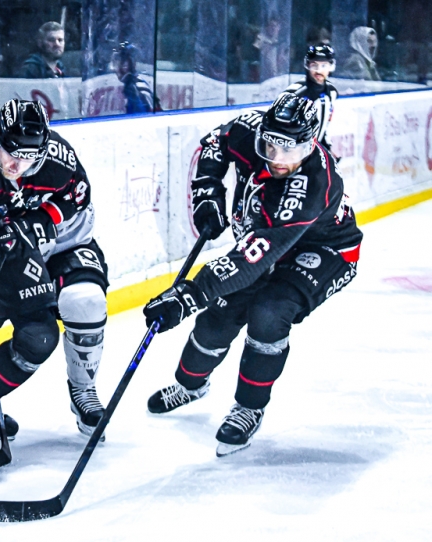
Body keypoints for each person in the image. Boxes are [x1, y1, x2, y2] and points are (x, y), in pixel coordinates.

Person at [142, 92, 362, 457]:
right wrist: (208, 193)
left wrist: (191, 293)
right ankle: (190, 384)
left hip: (323, 251)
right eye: (269, 145)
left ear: (309, 144)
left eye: (287, 149)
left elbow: (253, 256)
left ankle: (249, 406)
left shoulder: (311, 185)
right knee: (217, 321)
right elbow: (215, 143)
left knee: (269, 312)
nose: (275, 158)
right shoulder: (252, 129)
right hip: (264, 242)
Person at [0, 98, 110, 441]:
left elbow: (79, 193)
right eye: (11, 154)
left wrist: (44, 218)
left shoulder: (59, 156)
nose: (17, 165)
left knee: (84, 301)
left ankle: (84, 391)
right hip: (15, 253)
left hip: (63, 243)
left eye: (29, 157)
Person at [285, 45, 338, 150]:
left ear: (331, 66)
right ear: (307, 65)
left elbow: (325, 124)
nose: (318, 71)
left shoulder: (331, 92)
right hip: (295, 152)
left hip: (316, 151)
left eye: (324, 66)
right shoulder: (295, 92)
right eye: (314, 65)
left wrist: (327, 147)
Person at [112, 42, 158, 114]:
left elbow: (141, 119)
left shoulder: (134, 88)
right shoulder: (133, 84)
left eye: (121, 63)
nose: (116, 69)